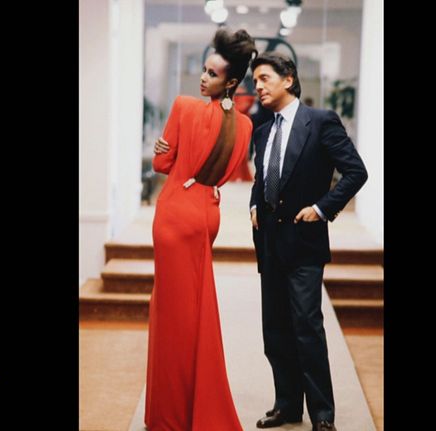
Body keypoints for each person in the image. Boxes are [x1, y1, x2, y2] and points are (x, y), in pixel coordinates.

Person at [249, 52, 368, 431]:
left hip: (304, 243)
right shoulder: (262, 130)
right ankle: (286, 406)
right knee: (275, 330)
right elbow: (263, 177)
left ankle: (322, 414)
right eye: (255, 80)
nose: (258, 86)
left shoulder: (320, 122)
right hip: (269, 242)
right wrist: (254, 203)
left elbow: (356, 172)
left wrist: (322, 208)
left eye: (265, 78)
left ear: (288, 79)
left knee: (306, 327)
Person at [145, 28, 257, 431]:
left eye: (212, 73)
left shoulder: (183, 107)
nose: (203, 78)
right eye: (205, 70)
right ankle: (195, 403)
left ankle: (170, 414)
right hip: (207, 213)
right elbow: (225, 174)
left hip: (176, 214)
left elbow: (162, 165)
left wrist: (164, 152)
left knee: (172, 314)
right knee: (196, 310)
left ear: (230, 81)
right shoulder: (243, 125)